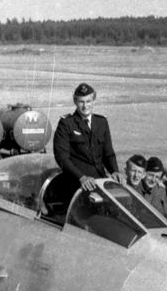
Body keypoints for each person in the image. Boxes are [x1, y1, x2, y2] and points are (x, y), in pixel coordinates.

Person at [49, 83, 118, 213]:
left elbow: (108, 153)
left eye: (88, 101)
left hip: (100, 182)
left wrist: (115, 171)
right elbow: (62, 158)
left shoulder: (101, 122)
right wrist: (81, 177)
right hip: (77, 185)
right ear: (75, 101)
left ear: (94, 100)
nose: (85, 106)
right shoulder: (66, 124)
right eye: (81, 102)